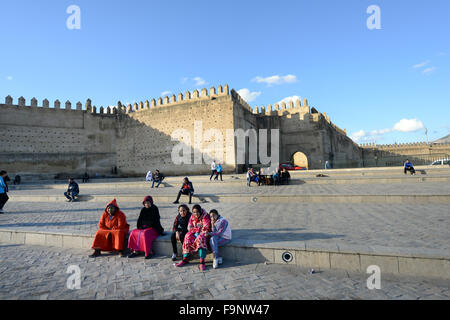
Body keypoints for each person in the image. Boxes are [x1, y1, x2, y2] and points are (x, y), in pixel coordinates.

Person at [175, 204, 211, 271]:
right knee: (187, 236)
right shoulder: (192, 216)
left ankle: (202, 261)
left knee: (200, 238)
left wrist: (196, 229)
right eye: (194, 212)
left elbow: (206, 228)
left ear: (200, 211)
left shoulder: (205, 216)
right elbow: (189, 227)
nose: (196, 214)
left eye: (197, 212)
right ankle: (185, 258)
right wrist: (197, 229)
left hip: (205, 234)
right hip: (195, 233)